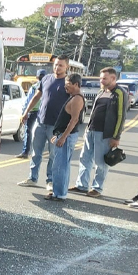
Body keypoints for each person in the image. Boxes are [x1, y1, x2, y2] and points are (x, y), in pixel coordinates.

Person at [69, 67, 128, 197]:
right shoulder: (102, 91)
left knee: (100, 162)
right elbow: (94, 112)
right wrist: (87, 128)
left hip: (105, 133)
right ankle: (82, 185)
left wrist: (116, 136)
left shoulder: (119, 93)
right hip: (92, 130)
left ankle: (97, 188)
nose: (101, 80)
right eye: (101, 78)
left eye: (104, 78)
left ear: (113, 78)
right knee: (85, 158)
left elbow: (121, 116)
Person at [17, 55, 71, 191]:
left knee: (53, 155)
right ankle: (32, 178)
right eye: (56, 65)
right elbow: (37, 96)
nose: (57, 67)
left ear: (66, 67)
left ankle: (50, 181)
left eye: (60, 65)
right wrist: (26, 112)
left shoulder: (67, 82)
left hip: (56, 126)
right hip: (41, 122)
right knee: (36, 152)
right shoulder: (46, 78)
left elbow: (74, 101)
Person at [45, 73, 84, 201]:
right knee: (58, 165)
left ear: (76, 84)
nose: (65, 87)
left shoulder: (77, 99)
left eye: (67, 84)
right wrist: (57, 134)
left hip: (67, 137)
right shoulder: (72, 97)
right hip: (61, 134)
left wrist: (63, 137)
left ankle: (60, 194)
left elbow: (74, 120)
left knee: (61, 166)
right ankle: (57, 192)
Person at [15, 69, 46, 158]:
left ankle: (26, 152)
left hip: (33, 111)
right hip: (43, 113)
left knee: (28, 131)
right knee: (40, 133)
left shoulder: (34, 87)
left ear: (37, 77)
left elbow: (28, 100)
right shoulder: (48, 87)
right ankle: (37, 151)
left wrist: (24, 112)